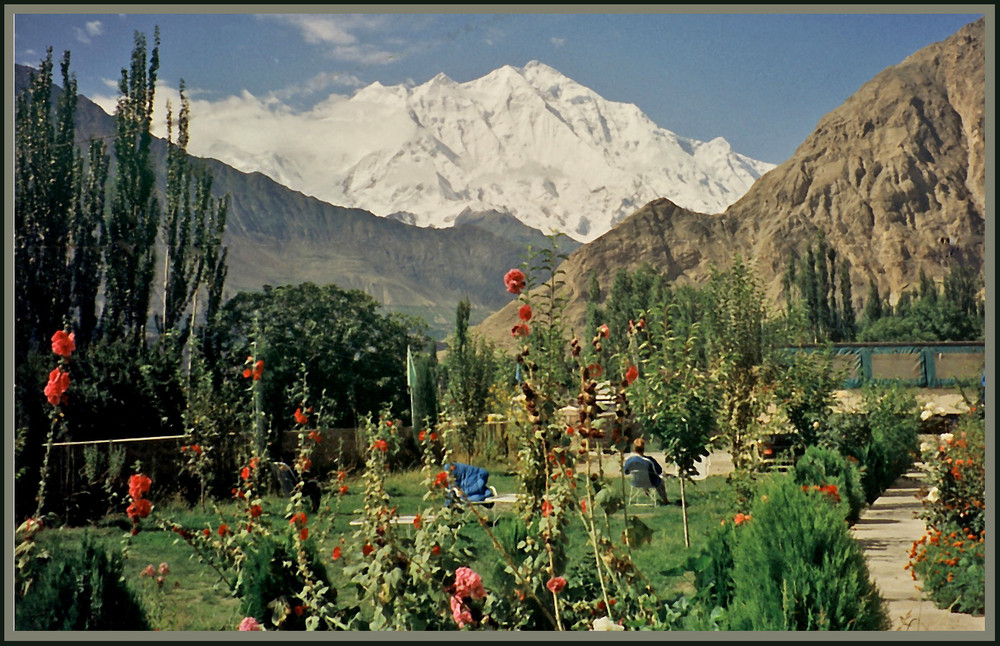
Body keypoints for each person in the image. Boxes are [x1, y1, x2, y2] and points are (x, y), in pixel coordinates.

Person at [623, 437, 670, 505]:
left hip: (636, 482)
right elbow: (659, 471)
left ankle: (646, 490)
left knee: (642, 475)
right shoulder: (649, 460)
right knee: (660, 481)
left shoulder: (630, 460)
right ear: (644, 448)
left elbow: (626, 472)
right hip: (651, 482)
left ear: (634, 448)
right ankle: (665, 501)